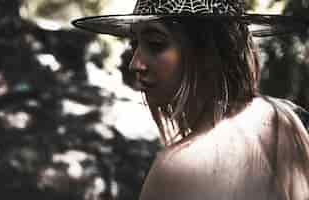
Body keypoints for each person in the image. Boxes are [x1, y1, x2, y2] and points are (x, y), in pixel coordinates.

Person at [72, 0, 309, 199]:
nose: (135, 63)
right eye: (135, 44)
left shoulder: (176, 169)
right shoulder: (287, 118)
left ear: (208, 54)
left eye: (155, 44)